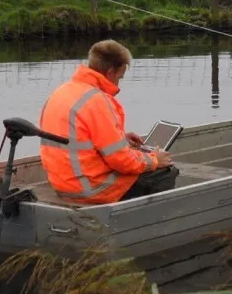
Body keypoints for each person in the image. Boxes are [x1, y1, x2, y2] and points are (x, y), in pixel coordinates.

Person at [39, 39, 177, 204]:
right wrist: (155, 160)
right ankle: (147, 225)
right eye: (120, 77)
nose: (119, 84)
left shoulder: (61, 93)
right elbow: (122, 161)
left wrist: (121, 138)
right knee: (166, 172)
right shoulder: (97, 101)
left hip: (62, 185)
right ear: (111, 72)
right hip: (90, 190)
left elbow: (79, 135)